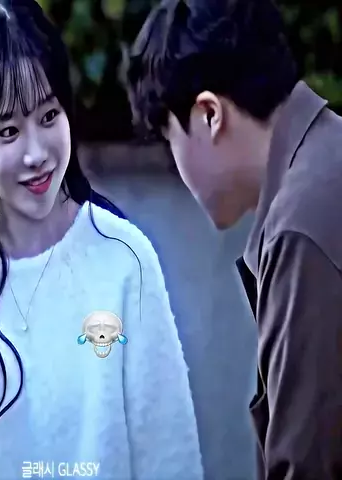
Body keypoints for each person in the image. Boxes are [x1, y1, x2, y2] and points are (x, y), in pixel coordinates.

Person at [0, 1, 204, 479]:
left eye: (49, 115)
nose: (36, 153)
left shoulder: (125, 260)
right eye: (8, 131)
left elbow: (170, 457)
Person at [124, 0, 342, 478]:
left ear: (209, 114)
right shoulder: (326, 162)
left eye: (169, 138)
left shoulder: (301, 225)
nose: (177, 163)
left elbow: (307, 465)